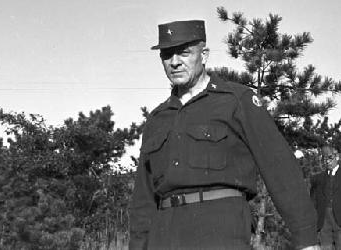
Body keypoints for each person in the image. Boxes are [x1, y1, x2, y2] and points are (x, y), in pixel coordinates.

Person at [129, 19, 320, 250]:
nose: (175, 62)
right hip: (164, 235)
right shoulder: (157, 119)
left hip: (220, 231)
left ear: (204, 54)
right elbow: (143, 199)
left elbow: (279, 167)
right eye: (167, 56)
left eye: (184, 53)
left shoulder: (236, 101)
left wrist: (306, 239)